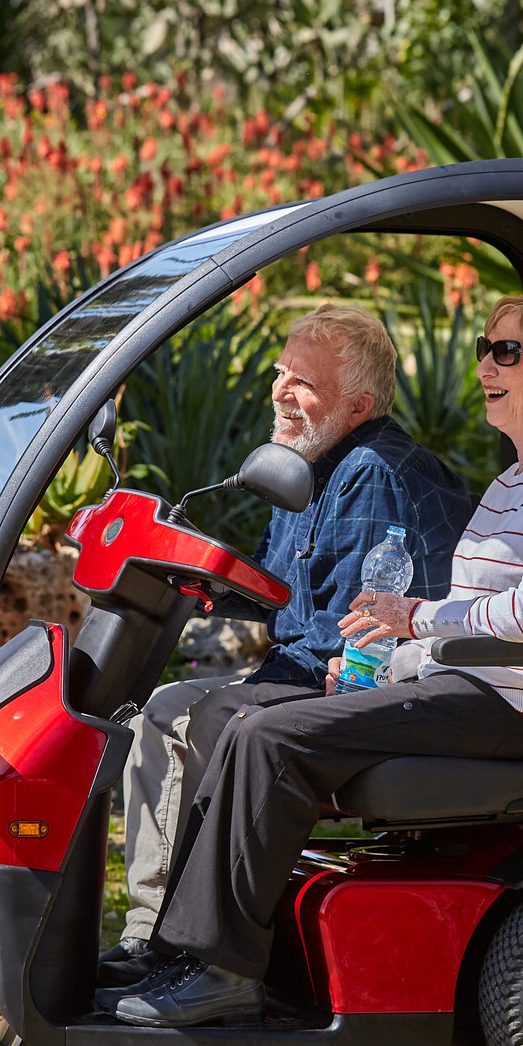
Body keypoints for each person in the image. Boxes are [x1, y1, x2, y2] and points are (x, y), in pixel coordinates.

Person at [113, 285, 523, 1027]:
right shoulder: (521, 478)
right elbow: (467, 618)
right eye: (486, 348)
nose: (486, 363)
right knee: (253, 729)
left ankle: (221, 969)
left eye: (507, 350)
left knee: (266, 734)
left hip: (512, 706)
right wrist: (399, 654)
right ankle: (190, 954)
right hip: (469, 685)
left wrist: (413, 619)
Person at [97, 302, 471, 991]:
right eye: (280, 372)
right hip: (303, 666)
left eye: (304, 382)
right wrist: (203, 580)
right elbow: (280, 594)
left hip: (362, 681)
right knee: (161, 709)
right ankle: (153, 929)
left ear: (358, 406)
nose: (280, 392)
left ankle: (181, 942)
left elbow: (346, 633)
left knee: (198, 716)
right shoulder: (303, 465)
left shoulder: (369, 471)